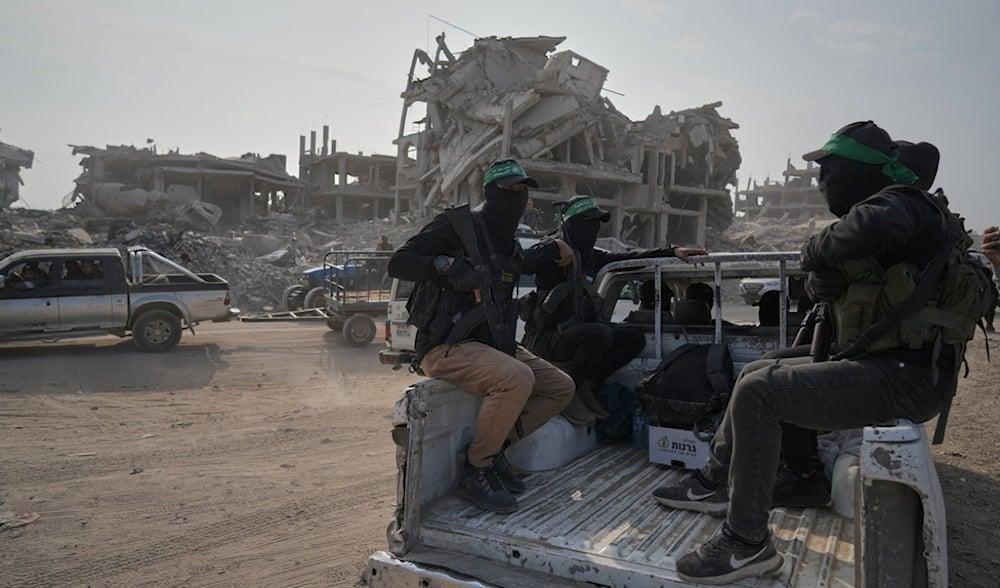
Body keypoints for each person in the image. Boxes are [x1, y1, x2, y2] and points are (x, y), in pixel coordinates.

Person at [652, 121, 993, 585]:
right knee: (759, 369)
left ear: (858, 169)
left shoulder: (905, 203)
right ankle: (716, 481)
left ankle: (746, 543)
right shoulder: (895, 216)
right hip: (884, 362)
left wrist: (815, 251)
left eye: (829, 170)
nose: (821, 181)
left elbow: (873, 225)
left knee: (760, 393)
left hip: (906, 375)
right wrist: (826, 279)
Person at [388, 159, 575, 514]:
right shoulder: (458, 226)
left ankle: (494, 448)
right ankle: (477, 469)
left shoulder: (507, 245)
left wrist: (555, 246)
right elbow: (399, 261)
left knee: (560, 387)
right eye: (510, 188)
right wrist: (445, 266)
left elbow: (525, 262)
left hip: (491, 345)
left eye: (523, 190)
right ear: (491, 192)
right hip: (446, 344)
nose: (518, 196)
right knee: (517, 378)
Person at [521, 195, 705, 425]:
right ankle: (568, 393)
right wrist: (553, 245)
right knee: (600, 333)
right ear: (574, 224)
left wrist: (672, 251)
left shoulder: (592, 258)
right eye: (589, 223)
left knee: (633, 338)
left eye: (596, 224)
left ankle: (588, 384)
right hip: (547, 337)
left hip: (578, 334)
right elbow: (523, 261)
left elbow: (632, 256)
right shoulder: (554, 253)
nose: (594, 229)